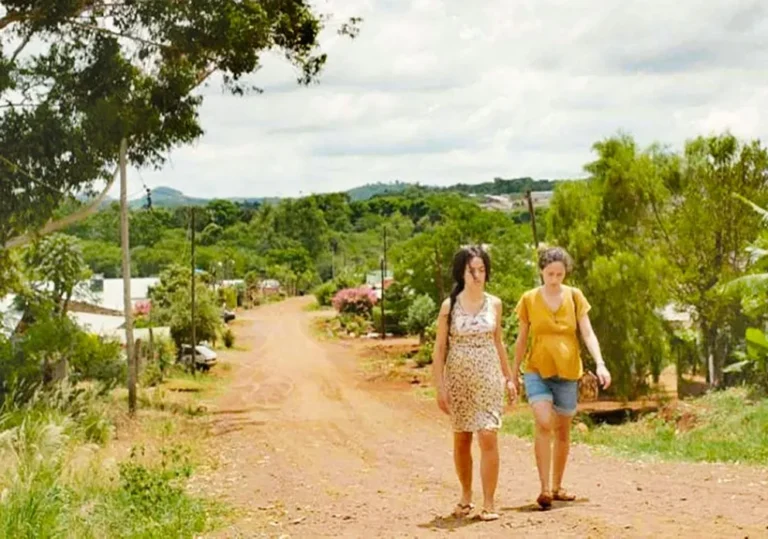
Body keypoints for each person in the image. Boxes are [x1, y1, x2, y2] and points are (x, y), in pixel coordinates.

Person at [513, 246, 611, 509]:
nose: (555, 279)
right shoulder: (529, 299)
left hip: (568, 371)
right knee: (544, 422)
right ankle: (544, 488)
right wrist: (513, 372)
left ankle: (557, 486)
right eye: (550, 274)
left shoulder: (575, 296)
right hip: (537, 369)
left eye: (560, 274)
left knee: (563, 430)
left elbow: (587, 332)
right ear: (541, 272)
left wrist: (600, 363)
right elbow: (522, 338)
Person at [432, 245, 517, 521]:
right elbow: (439, 349)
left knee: (489, 434)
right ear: (461, 273)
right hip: (459, 380)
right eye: (472, 270)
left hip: (489, 377)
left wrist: (508, 378)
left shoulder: (495, 304)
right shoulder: (450, 306)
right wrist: (440, 387)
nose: (477, 275)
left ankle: (489, 503)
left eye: (482, 270)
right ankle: (466, 496)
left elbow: (498, 341)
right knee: (462, 438)